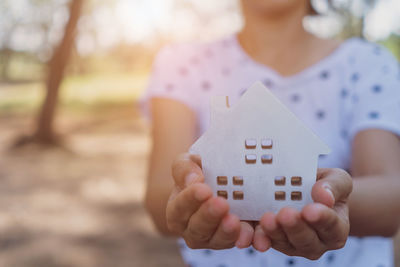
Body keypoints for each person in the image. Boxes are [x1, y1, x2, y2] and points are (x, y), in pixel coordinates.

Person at [142, 1, 400, 266]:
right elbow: (160, 198)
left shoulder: (367, 64)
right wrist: (199, 196)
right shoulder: (182, 63)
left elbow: (391, 198)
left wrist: (313, 201)